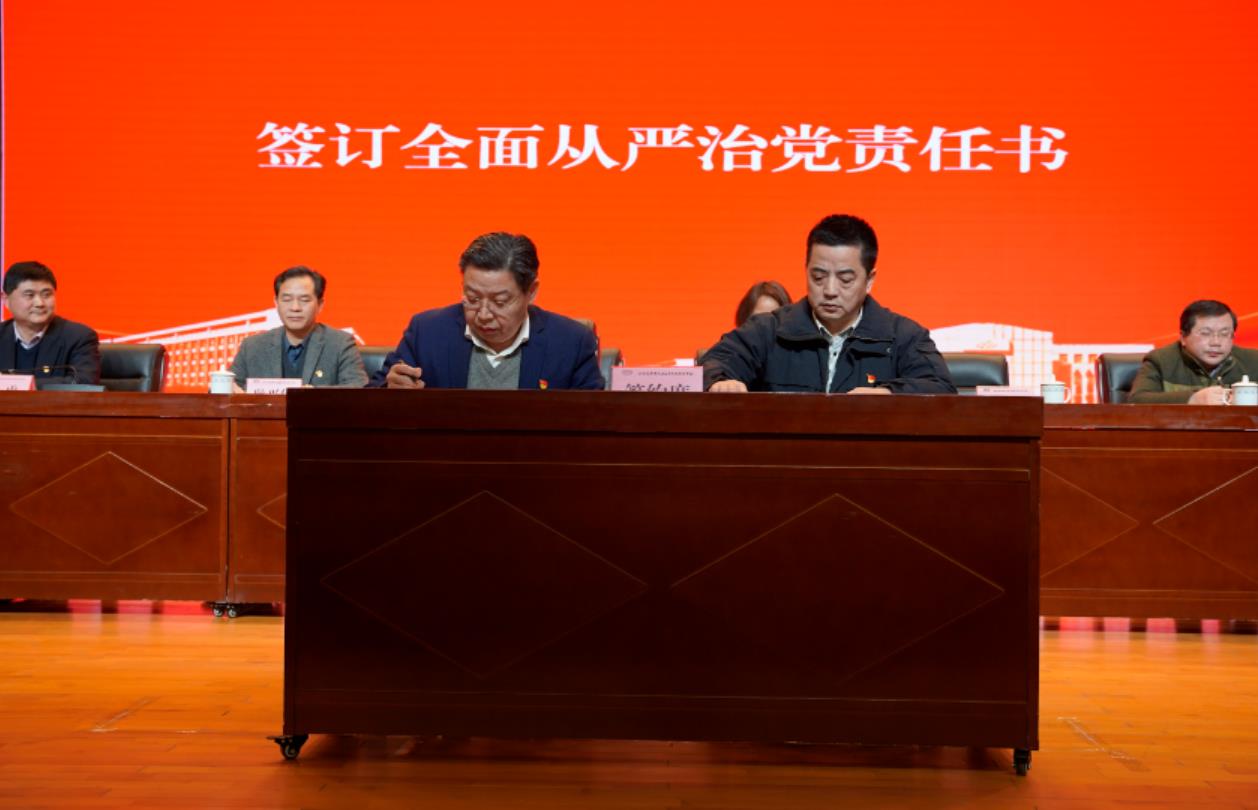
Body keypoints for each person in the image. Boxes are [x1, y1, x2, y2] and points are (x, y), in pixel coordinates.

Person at [703, 214, 955, 394]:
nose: (830, 291)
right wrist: (719, 381)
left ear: (869, 280)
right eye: (818, 277)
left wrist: (888, 393)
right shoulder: (768, 331)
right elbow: (711, 365)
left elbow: (940, 387)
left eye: (845, 279)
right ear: (806, 270)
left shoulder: (903, 337)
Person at [370, 232, 603, 390]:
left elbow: (594, 422)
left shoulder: (571, 342)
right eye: (472, 298)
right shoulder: (427, 332)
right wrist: (391, 390)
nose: (483, 314)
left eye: (499, 302)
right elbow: (369, 401)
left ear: (531, 291)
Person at [228, 266, 367, 389]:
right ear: (276, 303)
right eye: (287, 300)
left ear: (320, 304)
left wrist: (312, 395)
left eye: (304, 300)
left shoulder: (340, 343)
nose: (295, 308)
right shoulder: (253, 346)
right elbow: (225, 388)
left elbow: (358, 387)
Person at [1127, 300, 1257, 404]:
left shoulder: (1253, 360)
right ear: (1183, 337)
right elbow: (1137, 400)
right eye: (1205, 333)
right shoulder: (1161, 360)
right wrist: (1192, 399)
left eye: (1224, 334)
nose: (1216, 342)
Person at [0, 261, 100, 384]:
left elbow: (84, 382)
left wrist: (20, 385)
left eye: (46, 295)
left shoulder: (79, 338)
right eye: (29, 295)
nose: (39, 303)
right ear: (6, 300)